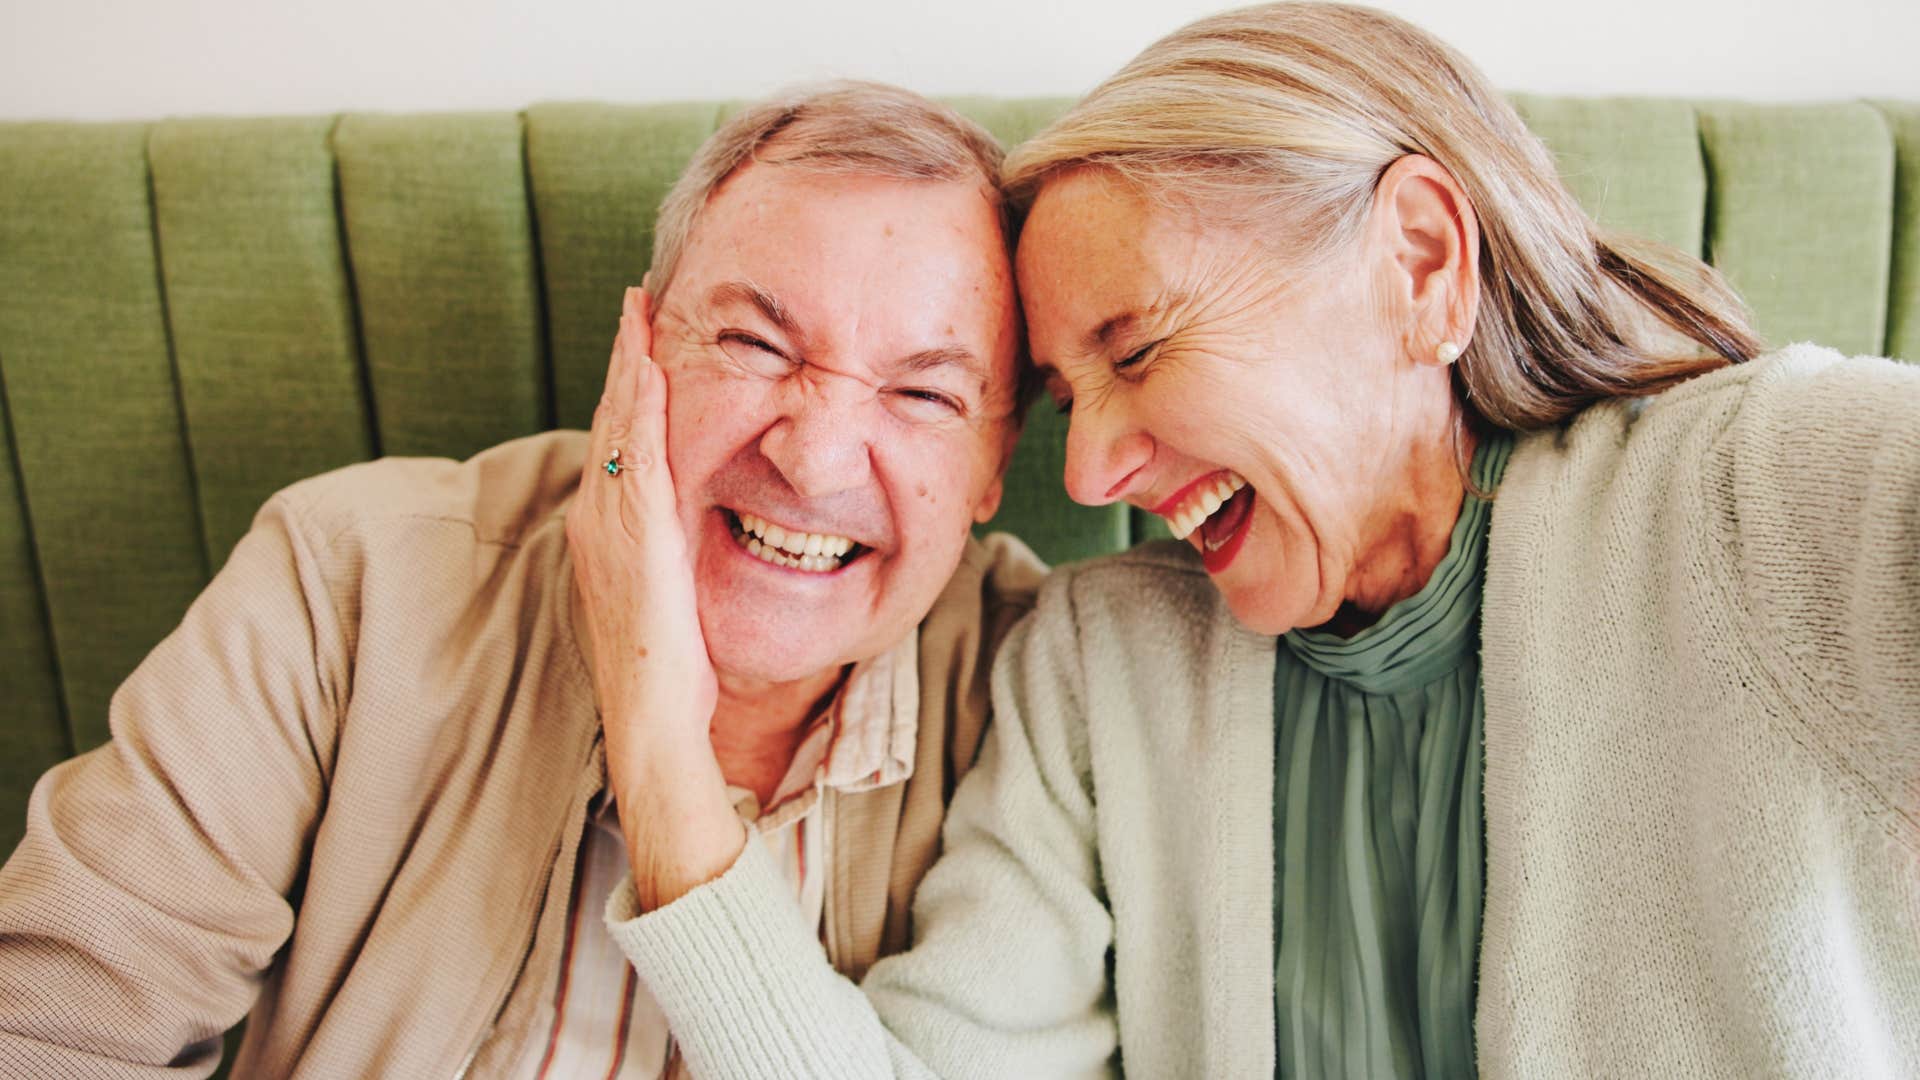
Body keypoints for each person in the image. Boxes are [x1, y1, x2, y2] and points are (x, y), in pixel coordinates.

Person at [598, 5, 1920, 1078]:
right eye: (1067, 396)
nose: (1095, 465)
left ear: (1417, 265)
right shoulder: (1096, 666)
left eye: (1141, 347)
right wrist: (659, 751)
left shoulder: (1764, 493)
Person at [0, 81, 1044, 1078]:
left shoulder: (1047, 703)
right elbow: (49, 1034)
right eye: (755, 344)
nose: (814, 459)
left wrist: (658, 745)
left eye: (924, 395)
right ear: (637, 352)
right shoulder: (352, 581)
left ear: (996, 462)